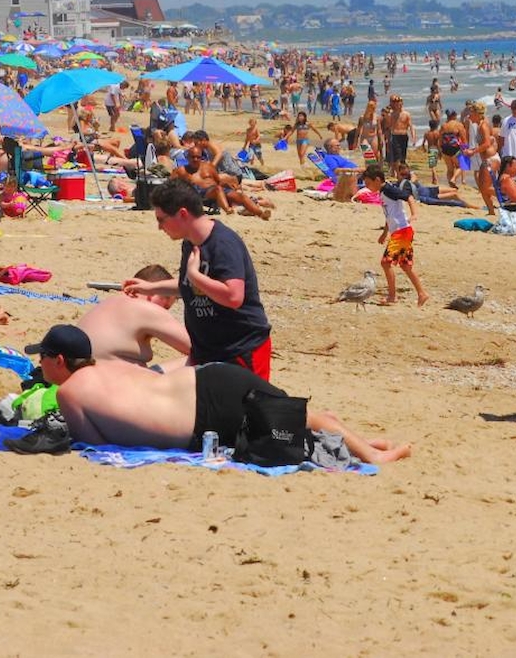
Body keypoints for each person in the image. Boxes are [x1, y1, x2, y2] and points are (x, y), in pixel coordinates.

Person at [33, 324, 410, 462]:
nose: (41, 367)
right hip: (210, 380)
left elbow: (96, 446)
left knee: (290, 420)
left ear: (60, 360)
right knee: (292, 415)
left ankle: (375, 457)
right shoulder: (107, 365)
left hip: (203, 419)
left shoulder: (70, 393)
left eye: (44, 359)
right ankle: (359, 440)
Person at [123, 179, 273, 379]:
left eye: (161, 219)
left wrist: (195, 275)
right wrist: (151, 288)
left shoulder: (222, 243)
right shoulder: (190, 242)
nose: (159, 227)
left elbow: (233, 296)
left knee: (253, 408)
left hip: (240, 348)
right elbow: (189, 286)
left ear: (183, 214)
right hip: (207, 350)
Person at [77, 264, 190, 367]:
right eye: (165, 304)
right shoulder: (145, 309)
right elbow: (198, 347)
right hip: (108, 383)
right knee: (199, 361)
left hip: (75, 379)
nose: (164, 311)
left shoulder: (108, 303)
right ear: (151, 291)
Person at [363, 164, 428, 307]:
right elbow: (389, 215)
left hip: (402, 232)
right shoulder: (382, 192)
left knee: (386, 263)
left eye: (368, 183)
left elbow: (409, 197)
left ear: (378, 180)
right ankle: (422, 294)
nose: (367, 187)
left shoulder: (389, 189)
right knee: (406, 266)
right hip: (399, 232)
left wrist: (415, 214)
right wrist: (385, 233)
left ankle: (392, 296)